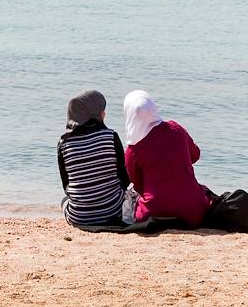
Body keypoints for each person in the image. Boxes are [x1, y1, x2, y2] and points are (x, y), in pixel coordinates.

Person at [122, 90, 213, 227]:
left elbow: (138, 184)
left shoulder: (133, 150)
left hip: (153, 212)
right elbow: (195, 155)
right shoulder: (176, 129)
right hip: (194, 212)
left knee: (128, 199)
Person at [56, 90, 130, 229]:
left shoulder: (64, 144)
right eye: (102, 110)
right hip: (114, 212)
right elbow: (124, 179)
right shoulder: (111, 136)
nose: (104, 113)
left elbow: (66, 186)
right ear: (94, 114)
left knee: (64, 200)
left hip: (79, 216)